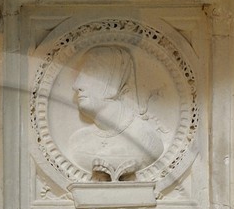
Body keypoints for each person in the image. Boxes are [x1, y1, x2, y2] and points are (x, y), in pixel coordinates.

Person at [63, 45, 164, 181]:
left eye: (89, 73)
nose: (76, 85)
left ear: (114, 81)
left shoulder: (146, 140)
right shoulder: (77, 142)